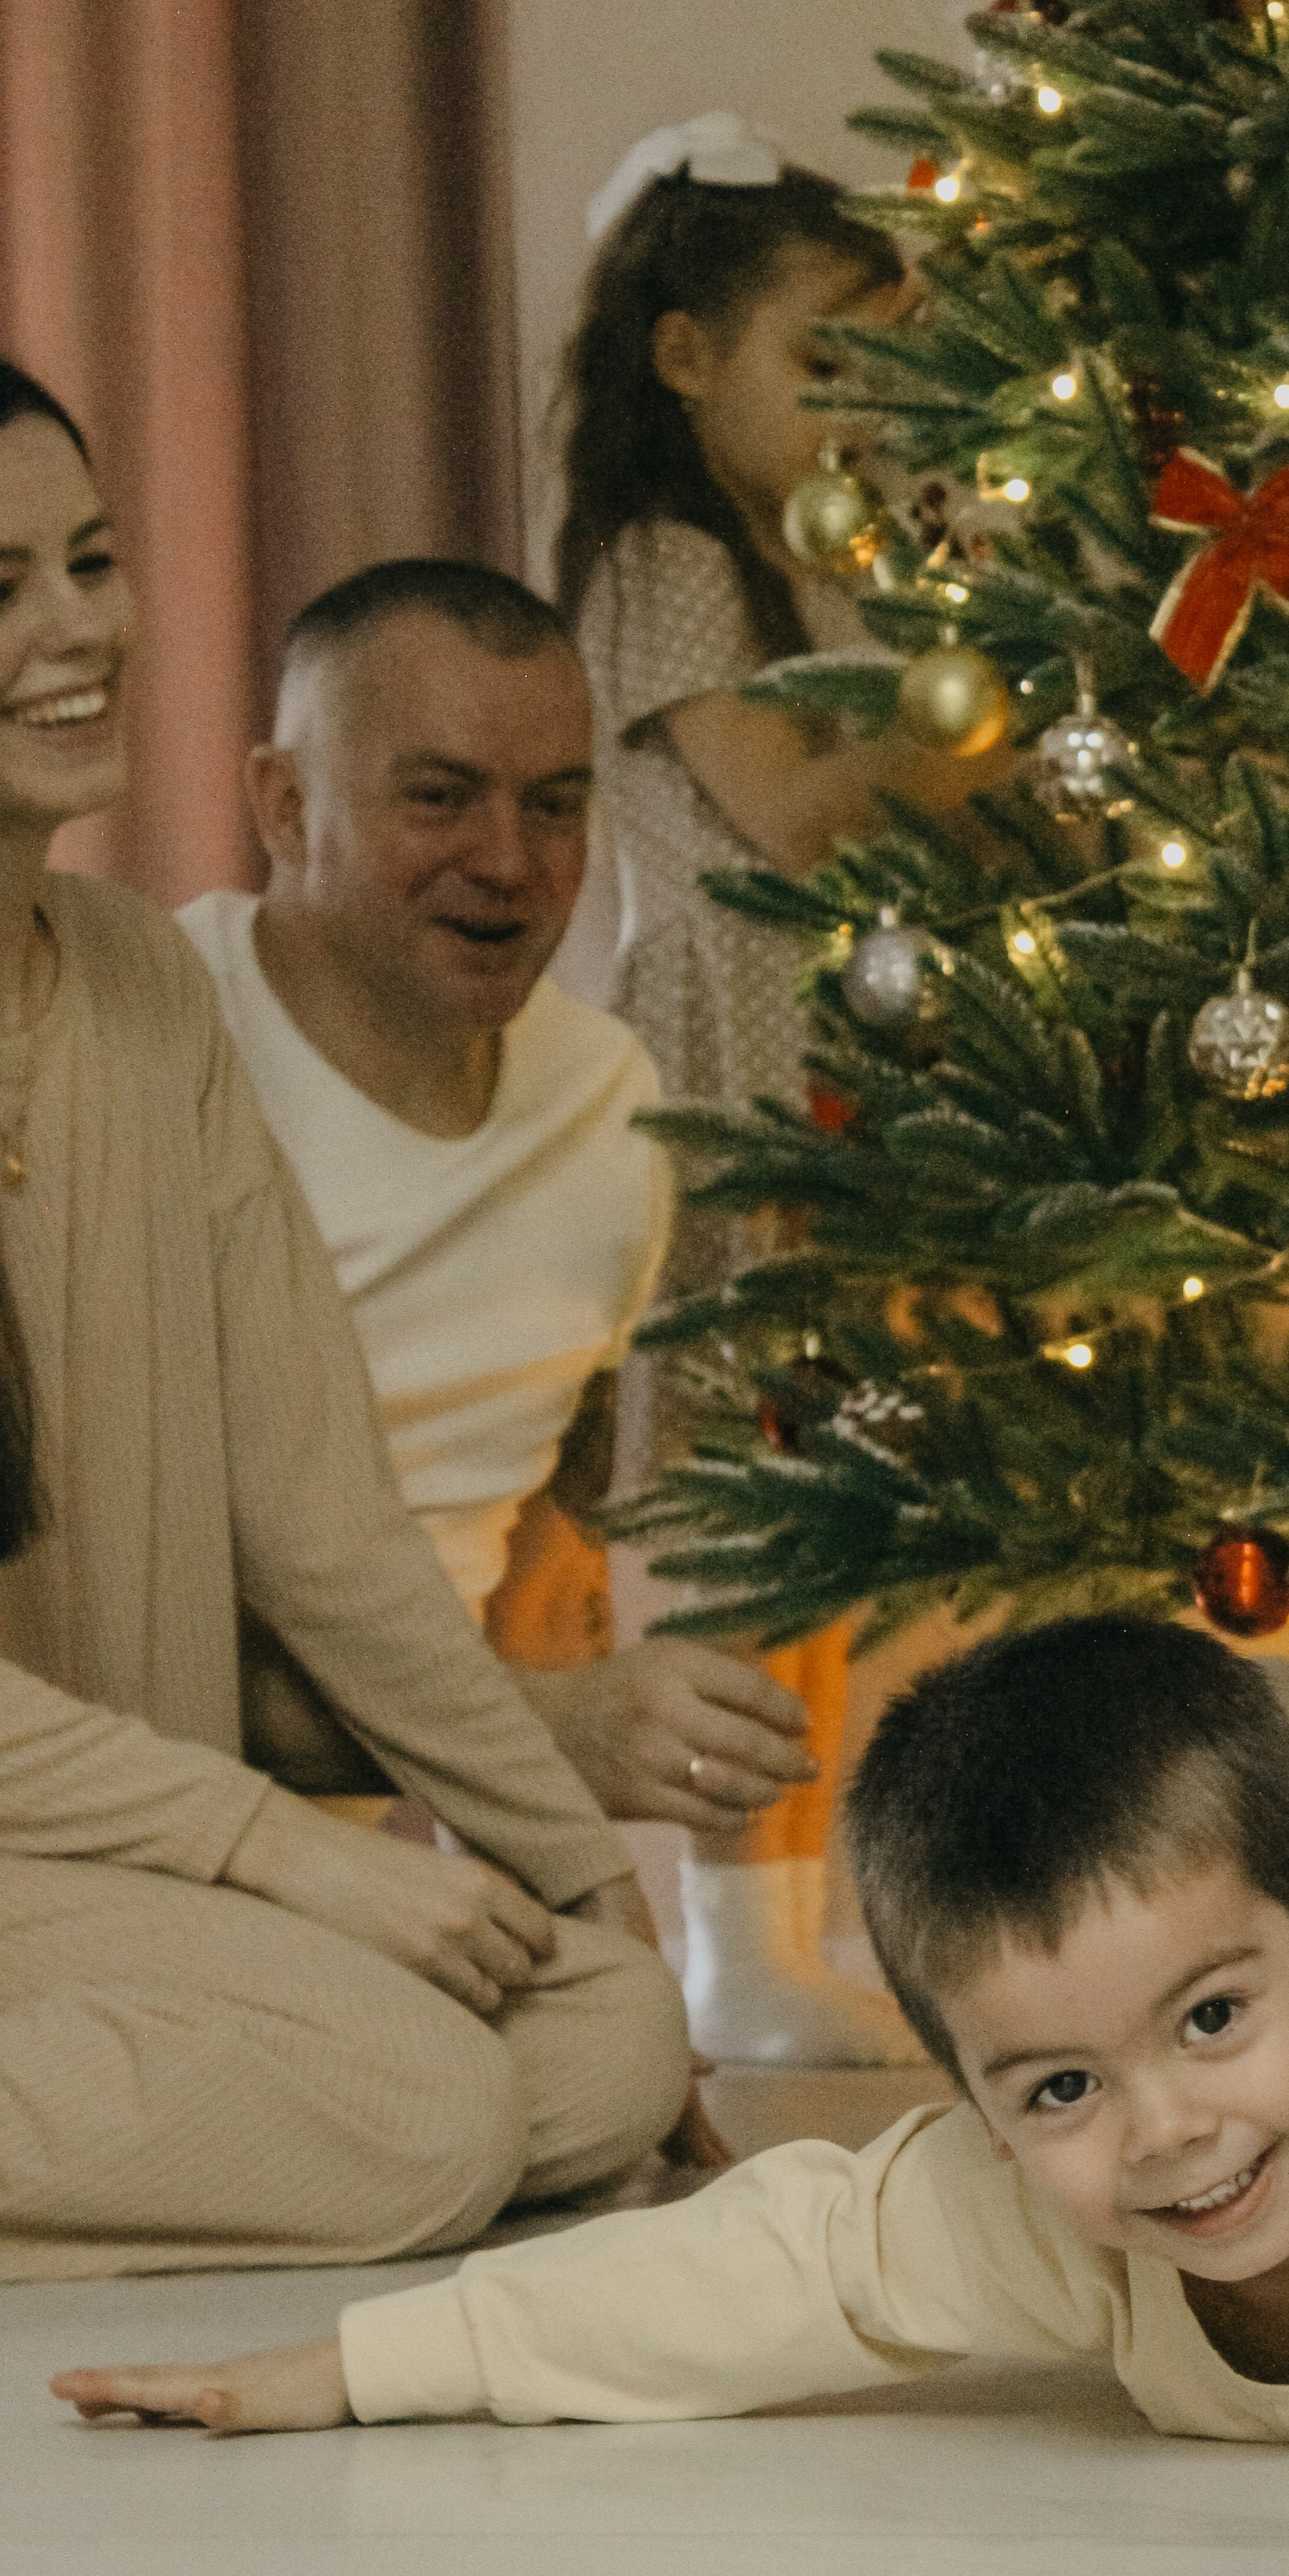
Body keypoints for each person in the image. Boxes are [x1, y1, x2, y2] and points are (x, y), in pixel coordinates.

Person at [58, 1343, 1289, 2449]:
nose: (1164, 2134)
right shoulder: (1047, 2210)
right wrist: (347, 2367)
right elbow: (765, 2267)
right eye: (1058, 2090)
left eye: (1199, 2024)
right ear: (968, 2097)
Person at [0, 359, 693, 2279]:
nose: (75, 632)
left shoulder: (139, 983)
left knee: (605, 2036)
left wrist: (578, 1883)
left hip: (107, 1874)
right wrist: (277, 1849)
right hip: (124, 1860)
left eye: (88, 560)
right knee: (425, 2113)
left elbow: (327, 1531)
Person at [551, 115, 1013, 2070]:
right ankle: (728, 1940)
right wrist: (955, 704)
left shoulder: (812, 570)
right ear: (684, 358)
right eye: (818, 361)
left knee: (830, 1505)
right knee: (733, 1505)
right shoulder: (663, 562)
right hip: (728, 1059)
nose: (849, 411)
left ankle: (802, 1916)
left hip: (843, 1067)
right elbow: (784, 816)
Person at [175, 557, 821, 1859]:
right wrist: (541, 1734)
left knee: (623, 2039)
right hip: (161, 1808)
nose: (511, 863)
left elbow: (550, 1520)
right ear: (285, 806)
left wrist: (543, 1841)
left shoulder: (611, 1106)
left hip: (409, 1809)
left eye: (557, 806)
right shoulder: (150, 1040)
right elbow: (109, 1635)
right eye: (440, 800)